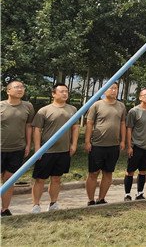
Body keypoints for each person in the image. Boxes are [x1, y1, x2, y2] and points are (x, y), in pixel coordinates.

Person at [30, 83, 78, 213]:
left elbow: (75, 128)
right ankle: (36, 205)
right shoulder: (44, 110)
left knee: (56, 178)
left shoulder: (72, 109)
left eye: (66, 91)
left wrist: (73, 144)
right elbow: (37, 130)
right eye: (61, 91)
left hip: (63, 150)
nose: (65, 94)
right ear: (53, 94)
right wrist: (38, 148)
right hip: (46, 151)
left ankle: (53, 203)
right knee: (40, 179)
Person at [85, 82, 126, 206]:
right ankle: (91, 200)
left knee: (108, 173)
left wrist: (123, 140)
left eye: (116, 88)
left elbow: (123, 123)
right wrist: (87, 141)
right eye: (111, 88)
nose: (114, 90)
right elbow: (89, 123)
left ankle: (101, 199)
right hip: (97, 145)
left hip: (113, 146)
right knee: (93, 173)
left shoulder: (121, 106)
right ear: (104, 90)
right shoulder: (97, 105)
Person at [1, 80, 34, 217]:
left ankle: (5, 209)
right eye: (16, 87)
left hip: (17, 149)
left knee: (9, 180)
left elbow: (28, 126)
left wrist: (28, 144)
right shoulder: (1, 105)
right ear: (8, 91)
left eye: (22, 87)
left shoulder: (28, 106)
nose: (20, 89)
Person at [124, 88, 146, 201]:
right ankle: (127, 194)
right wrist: (129, 146)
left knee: (143, 170)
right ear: (140, 97)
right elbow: (129, 128)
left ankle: (140, 193)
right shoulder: (134, 111)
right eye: (145, 95)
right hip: (136, 146)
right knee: (130, 171)